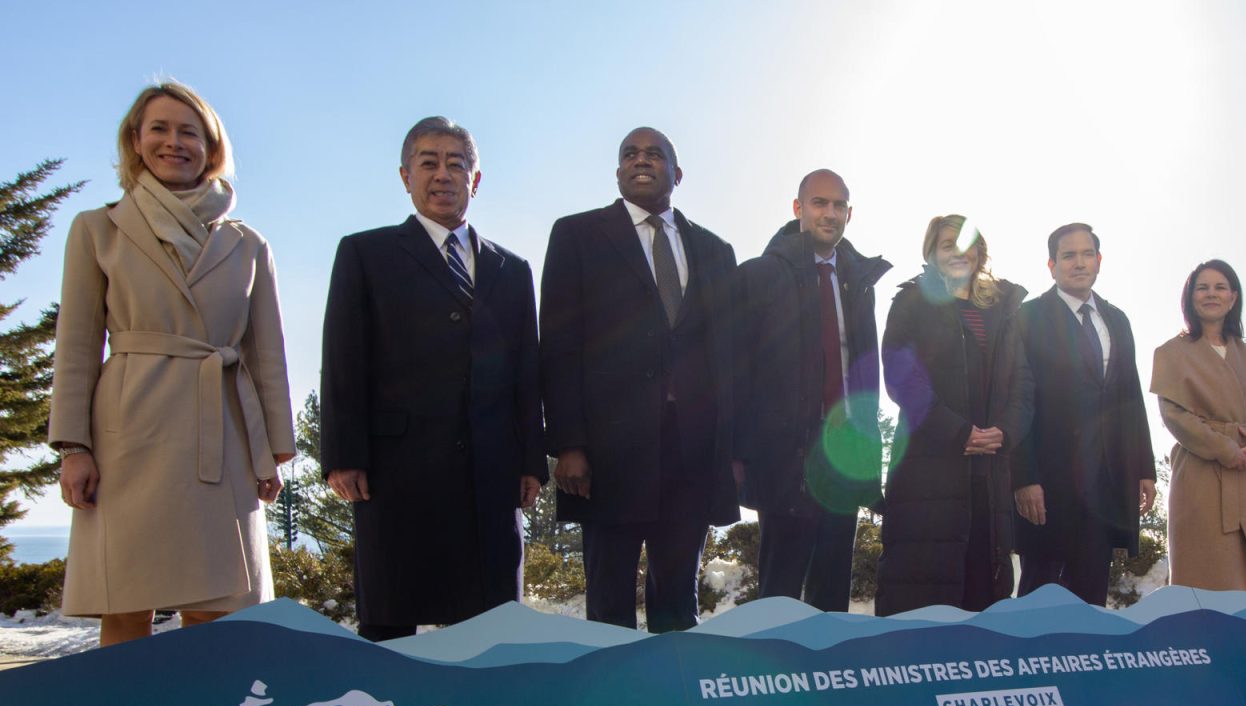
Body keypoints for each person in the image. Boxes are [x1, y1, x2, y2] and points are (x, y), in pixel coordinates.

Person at [49, 81, 295, 648]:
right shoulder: (98, 229)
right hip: (128, 434)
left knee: (217, 606)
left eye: (190, 132)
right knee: (127, 607)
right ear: (135, 142)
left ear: (212, 148)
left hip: (225, 433)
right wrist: (74, 447)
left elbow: (267, 355)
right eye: (159, 128)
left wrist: (273, 450)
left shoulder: (248, 243)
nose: (173, 142)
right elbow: (78, 348)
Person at [320, 116, 546, 642]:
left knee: (490, 630)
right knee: (390, 624)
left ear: (476, 178)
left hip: (489, 473)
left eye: (456, 163)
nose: (442, 174)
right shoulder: (365, 254)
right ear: (405, 175)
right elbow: (343, 360)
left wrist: (531, 459)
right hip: (396, 472)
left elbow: (526, 372)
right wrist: (343, 453)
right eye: (429, 162)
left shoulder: (512, 270)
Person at [540, 127, 738, 632]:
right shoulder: (577, 235)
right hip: (609, 455)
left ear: (678, 173)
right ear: (618, 171)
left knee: (678, 601)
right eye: (629, 154)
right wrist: (568, 444)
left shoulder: (716, 251)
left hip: (691, 451)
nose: (641, 160)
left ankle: (674, 702)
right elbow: (559, 347)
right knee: (608, 606)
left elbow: (729, 357)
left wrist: (730, 449)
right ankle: (613, 705)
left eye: (654, 154)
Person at [733, 170, 891, 611]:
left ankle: (830, 677)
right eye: (819, 203)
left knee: (832, 587)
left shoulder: (859, 284)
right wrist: (739, 454)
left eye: (839, 205)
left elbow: (865, 377)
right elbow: (738, 375)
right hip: (783, 456)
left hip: (843, 453)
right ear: (798, 209)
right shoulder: (759, 276)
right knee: (779, 592)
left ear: (850, 213)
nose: (830, 213)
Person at [876, 215, 1031, 615]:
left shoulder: (1003, 311)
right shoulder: (911, 302)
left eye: (966, 245)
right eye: (948, 245)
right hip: (927, 475)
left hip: (990, 478)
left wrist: (1006, 432)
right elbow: (900, 377)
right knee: (922, 603)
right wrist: (958, 432)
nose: (958, 253)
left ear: (980, 252)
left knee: (985, 605)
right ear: (932, 252)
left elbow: (1023, 384)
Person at [1012, 222, 1156, 606]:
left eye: (1087, 254)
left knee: (1091, 600)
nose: (1079, 263)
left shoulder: (1117, 320)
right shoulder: (1028, 317)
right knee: (1040, 600)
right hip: (1048, 484)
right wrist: (1024, 477)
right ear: (1051, 265)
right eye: (1068, 255)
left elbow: (1131, 395)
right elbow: (1017, 400)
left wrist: (1143, 468)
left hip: (1106, 482)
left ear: (1099, 260)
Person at [1149, 259, 1246, 592]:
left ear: (1233, 298)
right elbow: (1174, 414)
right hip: (1200, 471)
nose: (1211, 294)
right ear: (1190, 297)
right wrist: (1223, 448)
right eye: (1202, 288)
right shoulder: (1171, 352)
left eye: (1220, 287)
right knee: (1203, 572)